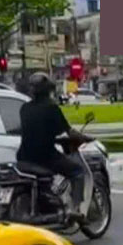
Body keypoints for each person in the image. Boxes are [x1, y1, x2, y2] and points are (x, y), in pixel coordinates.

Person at [18, 72, 94, 220]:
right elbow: (69, 131)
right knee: (77, 173)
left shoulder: (24, 109)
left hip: (24, 156)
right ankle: (75, 209)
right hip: (45, 156)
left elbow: (37, 131)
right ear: (48, 90)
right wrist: (84, 138)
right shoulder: (51, 108)